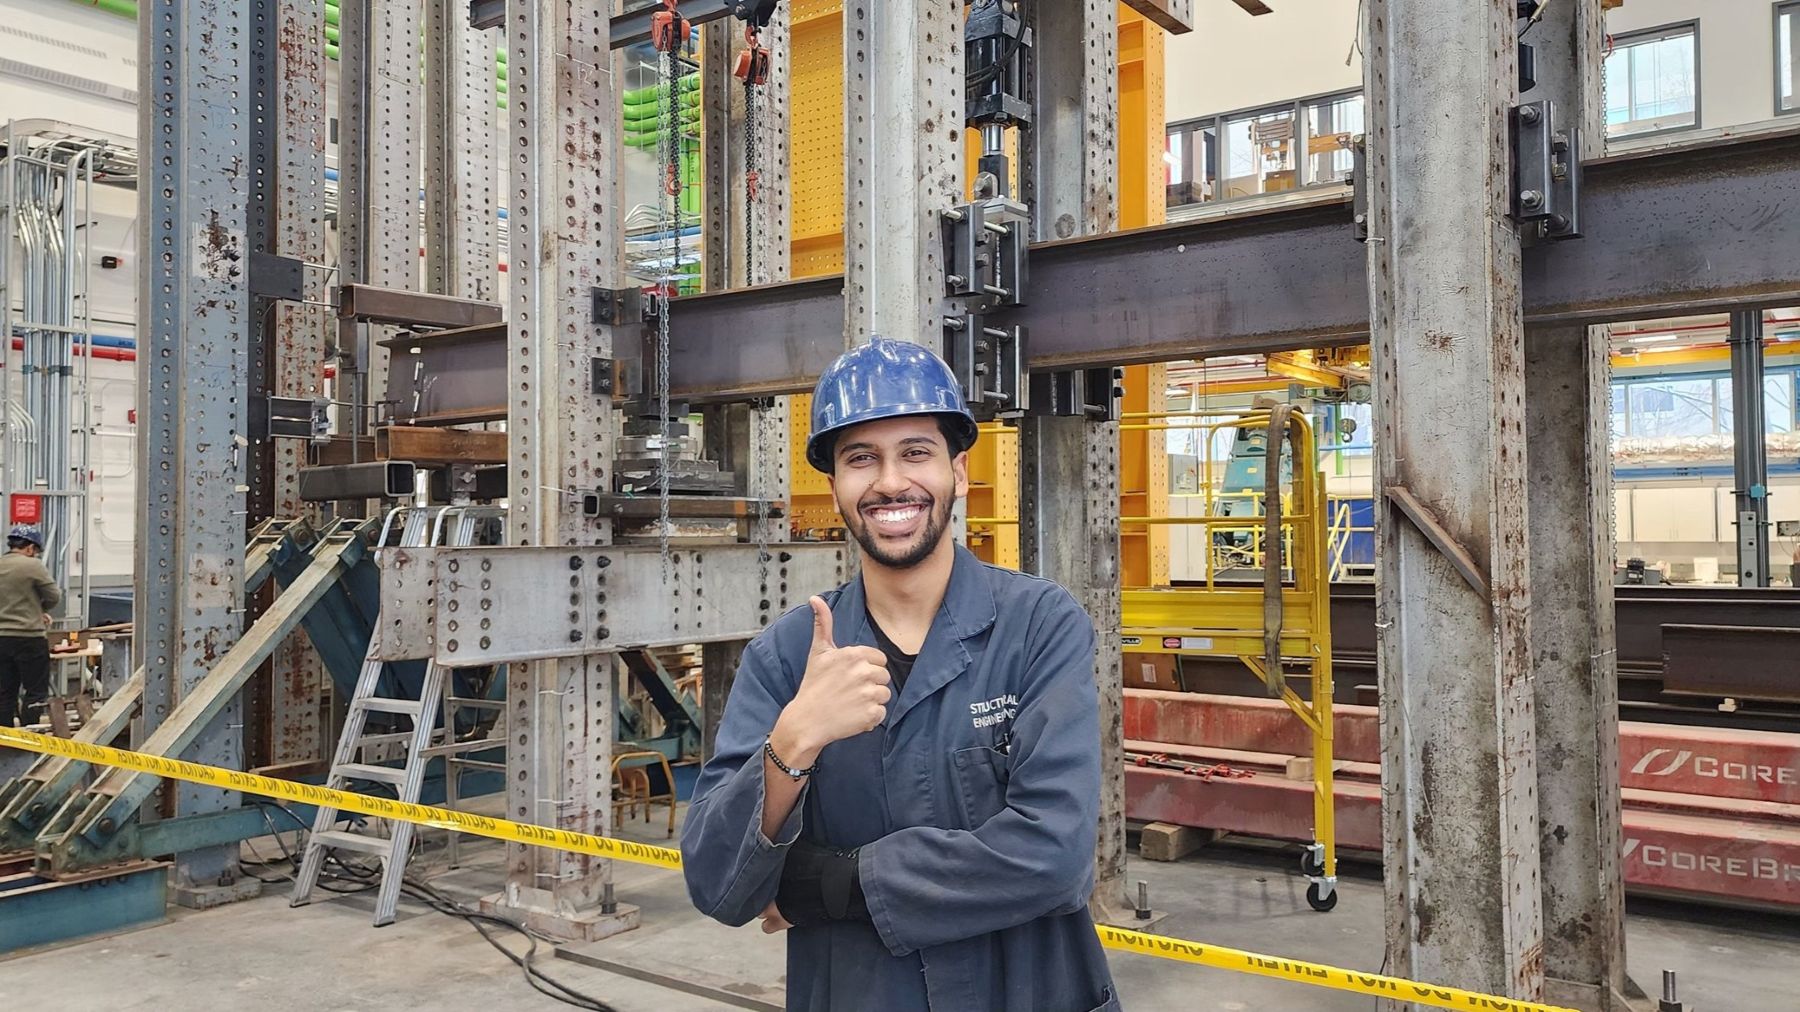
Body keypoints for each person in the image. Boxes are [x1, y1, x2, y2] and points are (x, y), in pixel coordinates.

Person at [681, 338, 1118, 1011]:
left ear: (959, 472)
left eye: (915, 452)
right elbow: (719, 883)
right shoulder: (787, 656)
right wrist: (791, 745)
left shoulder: (1039, 625)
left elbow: (1056, 859)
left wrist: (830, 885)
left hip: (1029, 991)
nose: (890, 482)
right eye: (861, 458)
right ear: (834, 486)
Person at [0, 523, 59, 728]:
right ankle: (30, 740)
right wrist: (39, 610)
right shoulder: (32, 565)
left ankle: (5, 744)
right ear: (30, 548)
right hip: (30, 638)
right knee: (35, 692)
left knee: (5, 693)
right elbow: (54, 596)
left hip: (2, 640)